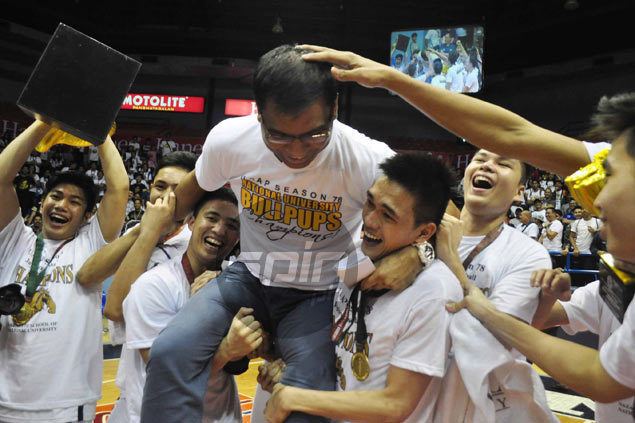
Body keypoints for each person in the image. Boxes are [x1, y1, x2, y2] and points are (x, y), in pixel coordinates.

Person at [142, 45, 424, 423]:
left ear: (334, 110)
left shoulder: (366, 158)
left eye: (313, 136)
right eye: (278, 136)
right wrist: (148, 232)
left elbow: (443, 216)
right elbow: (187, 194)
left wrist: (419, 253)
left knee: (304, 402)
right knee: (168, 352)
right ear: (258, 113)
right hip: (250, 277)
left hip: (319, 295)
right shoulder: (229, 140)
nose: (295, 152)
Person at [263, 153, 461, 422]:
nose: (369, 220)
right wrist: (287, 363)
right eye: (370, 202)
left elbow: (396, 404)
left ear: (424, 232)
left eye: (387, 215)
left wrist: (293, 395)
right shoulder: (357, 256)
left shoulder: (434, 292)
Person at [0, 121, 128, 423]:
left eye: (74, 202)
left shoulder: (91, 243)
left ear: (86, 216)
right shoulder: (14, 239)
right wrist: (42, 123)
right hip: (4, 401)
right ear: (42, 202)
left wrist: (98, 133)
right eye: (55, 197)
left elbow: (119, 188)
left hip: (66, 407)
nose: (61, 205)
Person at [111, 189, 251, 423]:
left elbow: (249, 353)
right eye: (212, 218)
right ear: (191, 222)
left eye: (232, 225)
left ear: (238, 237)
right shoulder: (153, 285)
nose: (219, 230)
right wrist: (226, 350)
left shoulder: (235, 283)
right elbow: (168, 371)